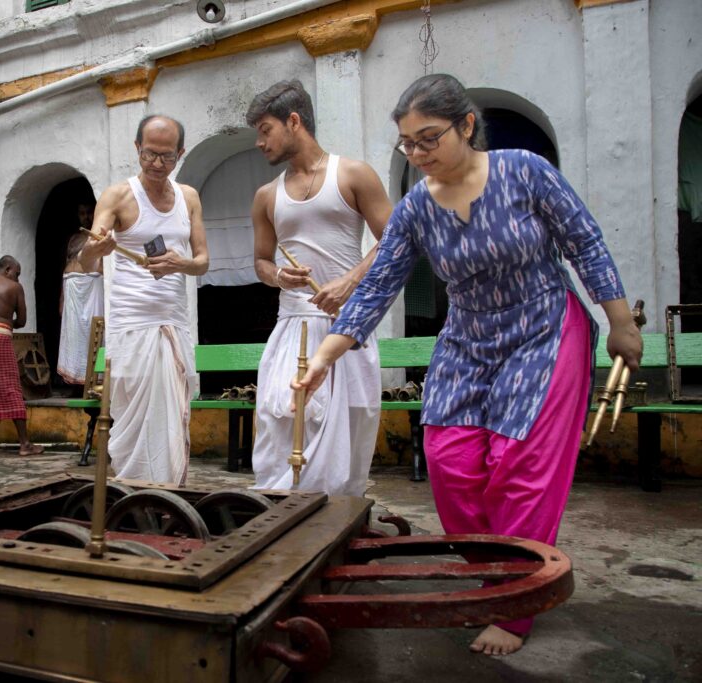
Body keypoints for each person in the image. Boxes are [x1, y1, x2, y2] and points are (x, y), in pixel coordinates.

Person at [294, 74, 643, 656]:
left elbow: (584, 241)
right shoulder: (415, 209)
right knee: (450, 460)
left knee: (519, 464)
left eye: (428, 139)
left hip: (543, 330)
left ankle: (515, 605)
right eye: (408, 144)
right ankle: (500, 576)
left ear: (466, 125)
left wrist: (620, 324)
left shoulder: (523, 170)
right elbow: (379, 285)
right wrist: (328, 355)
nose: (418, 154)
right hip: (467, 338)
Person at [247, 80, 392, 497]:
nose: (259, 142)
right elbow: (260, 261)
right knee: (280, 424)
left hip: (347, 326)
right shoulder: (265, 196)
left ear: (294, 122)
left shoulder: (352, 174)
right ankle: (278, 520)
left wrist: (350, 279)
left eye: (265, 129)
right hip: (291, 324)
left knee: (347, 434)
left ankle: (336, 525)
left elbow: (395, 241)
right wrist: (277, 275)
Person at [78, 115, 209, 484]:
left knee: (172, 417)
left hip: (173, 323)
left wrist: (180, 263)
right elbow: (87, 261)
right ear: (137, 148)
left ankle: (168, 493)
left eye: (167, 157)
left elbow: (202, 262)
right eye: (149, 154)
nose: (156, 164)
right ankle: (135, 493)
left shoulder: (189, 198)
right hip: (132, 326)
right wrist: (95, 248)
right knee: (133, 416)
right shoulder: (118, 195)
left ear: (180, 154)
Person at [0, 256, 45, 458]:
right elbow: (21, 320)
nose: (18, 278)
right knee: (11, 387)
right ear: (8, 269)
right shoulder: (15, 288)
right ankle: (24, 444)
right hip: (1, 337)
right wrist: (6, 319)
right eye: (17, 273)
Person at [57, 202, 104, 386]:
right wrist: (61, 298)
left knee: (92, 332)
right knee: (74, 335)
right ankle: (75, 381)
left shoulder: (100, 238)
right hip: (72, 289)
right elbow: (65, 264)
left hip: (92, 287)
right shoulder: (74, 239)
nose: (86, 217)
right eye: (82, 213)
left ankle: (95, 380)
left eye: (89, 212)